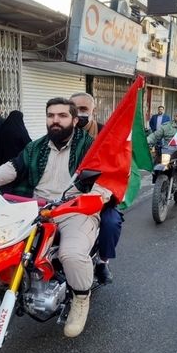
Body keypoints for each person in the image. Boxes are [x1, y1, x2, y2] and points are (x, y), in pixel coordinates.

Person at [0, 97, 108, 338]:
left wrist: (96, 197)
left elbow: (105, 179)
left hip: (74, 210)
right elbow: (12, 168)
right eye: (51, 115)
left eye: (62, 116)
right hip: (35, 207)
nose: (55, 120)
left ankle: (80, 299)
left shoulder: (91, 146)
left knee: (72, 254)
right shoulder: (36, 147)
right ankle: (11, 280)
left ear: (75, 120)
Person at [70, 92, 118, 284]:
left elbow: (116, 167)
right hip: (66, 193)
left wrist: (103, 194)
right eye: (75, 109)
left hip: (100, 192)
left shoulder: (106, 134)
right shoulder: (62, 131)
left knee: (111, 223)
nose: (79, 113)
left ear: (93, 111)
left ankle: (102, 262)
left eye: (84, 109)